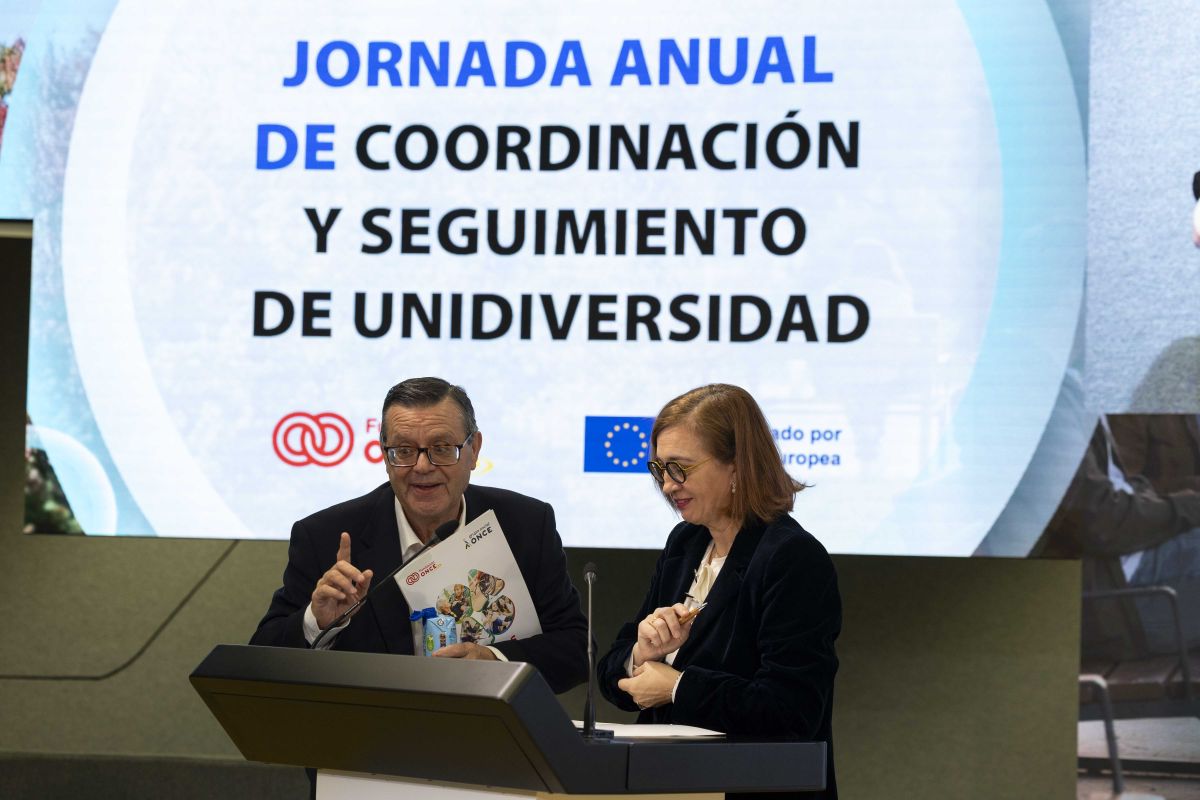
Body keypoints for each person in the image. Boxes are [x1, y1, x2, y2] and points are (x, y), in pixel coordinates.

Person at [251, 377, 588, 694]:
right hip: (370, 729)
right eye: (404, 450)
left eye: (442, 448)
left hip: (487, 730)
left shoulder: (526, 524)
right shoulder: (325, 536)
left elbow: (576, 650)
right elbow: (260, 663)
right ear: (384, 455)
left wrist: (495, 661)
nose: (422, 467)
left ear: (474, 450)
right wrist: (318, 622)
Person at [597, 384, 841, 800]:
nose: (668, 485)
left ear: (737, 467)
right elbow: (612, 674)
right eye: (660, 470)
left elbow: (792, 710)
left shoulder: (791, 557)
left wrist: (677, 687)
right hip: (669, 783)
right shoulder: (685, 542)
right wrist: (641, 652)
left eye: (680, 468)